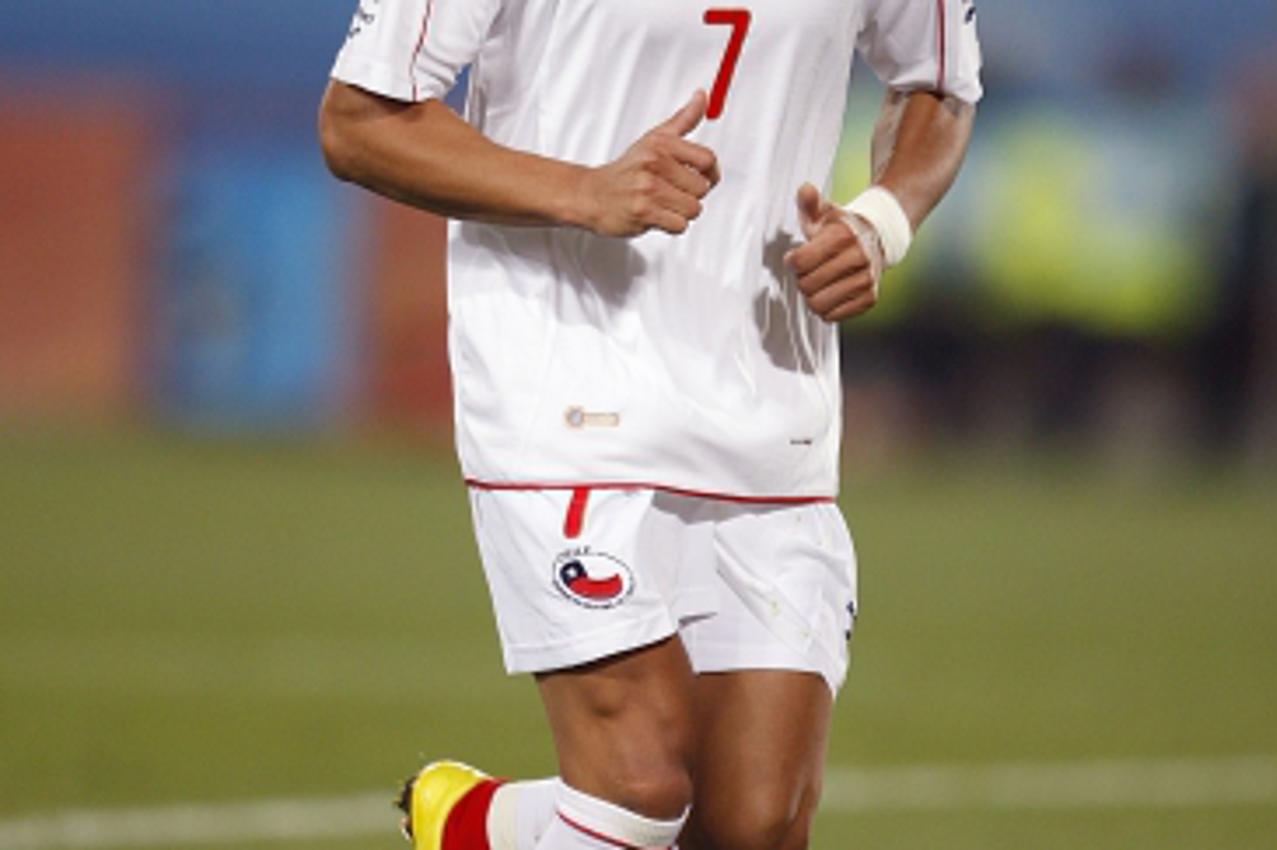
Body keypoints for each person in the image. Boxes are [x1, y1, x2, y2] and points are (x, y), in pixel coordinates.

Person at [319, 1, 980, 848]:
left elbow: (941, 84)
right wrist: (583, 190)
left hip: (769, 392)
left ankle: (478, 830)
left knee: (753, 823)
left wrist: (882, 223)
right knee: (641, 782)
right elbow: (358, 121)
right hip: (566, 378)